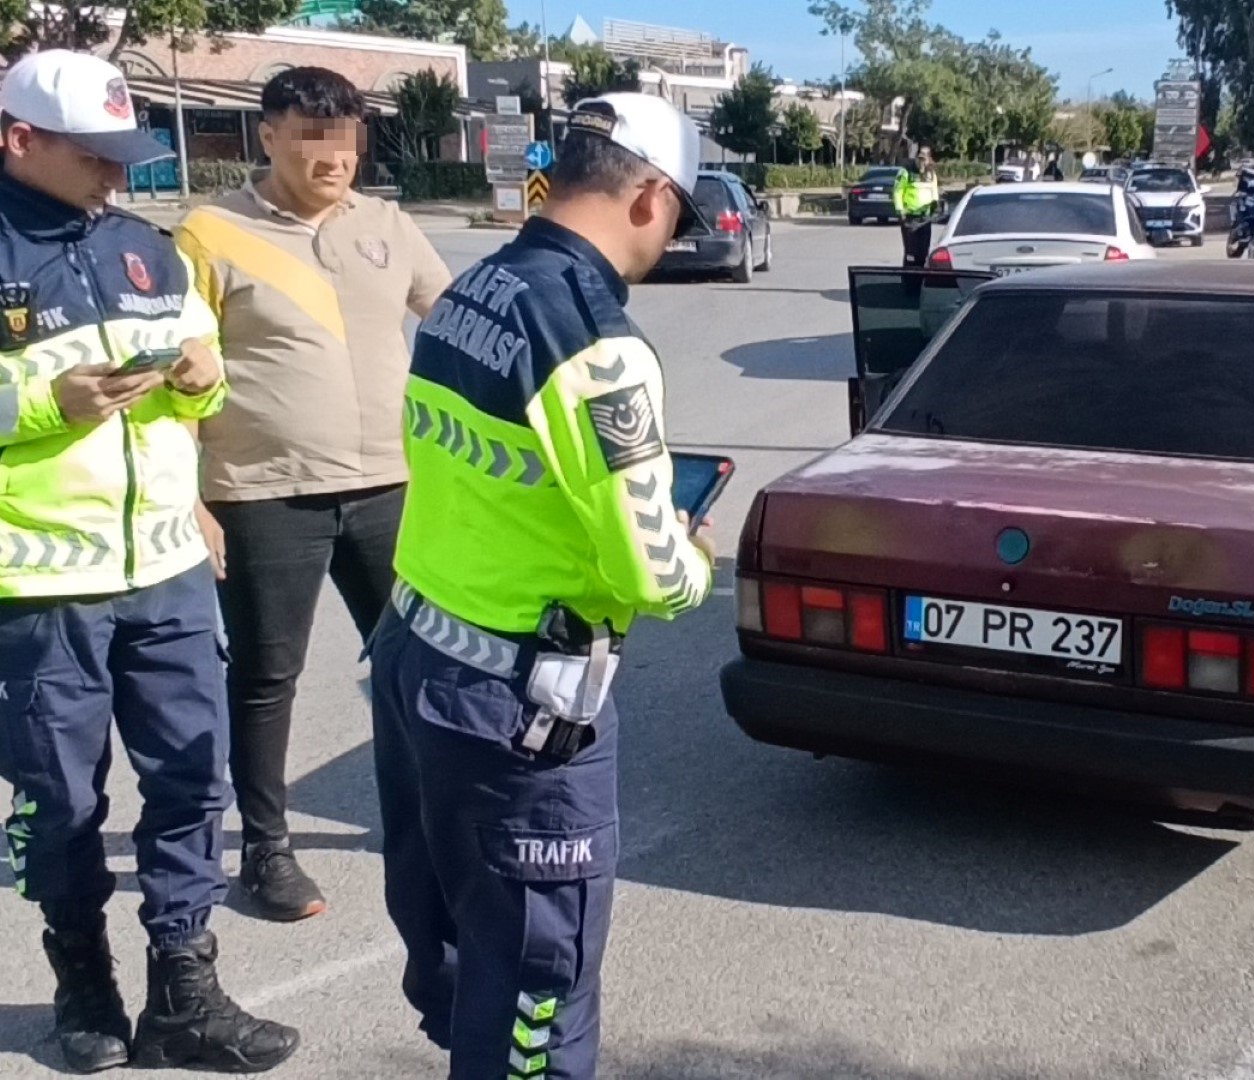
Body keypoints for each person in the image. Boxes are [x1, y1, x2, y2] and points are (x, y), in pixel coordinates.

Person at [367, 92, 717, 1078]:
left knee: (462, 942)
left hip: (419, 654)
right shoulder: (593, 341)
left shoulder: (476, 287)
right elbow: (652, 570)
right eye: (677, 221)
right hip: (519, 706)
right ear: (649, 198)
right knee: (536, 988)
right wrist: (692, 558)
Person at [0, 50, 299, 1073]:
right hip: (43, 589)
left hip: (167, 571)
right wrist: (47, 405)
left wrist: (205, 379)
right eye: (96, 157)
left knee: (189, 782)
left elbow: (200, 387)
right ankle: (84, 984)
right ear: (19, 139)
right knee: (58, 801)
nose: (117, 176)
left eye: (127, 155)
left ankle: (186, 986)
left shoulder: (148, 249)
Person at [172, 67, 451, 925]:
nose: (332, 156)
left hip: (390, 487)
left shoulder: (388, 224)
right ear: (269, 136)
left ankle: (425, 821)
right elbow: (178, 375)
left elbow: (452, 319)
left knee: (412, 665)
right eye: (310, 136)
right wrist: (191, 498)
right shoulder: (211, 232)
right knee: (266, 677)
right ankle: (264, 851)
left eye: (345, 137)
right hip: (264, 492)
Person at [893, 146, 941, 266]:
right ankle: (909, 281)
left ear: (929, 159)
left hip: (925, 218)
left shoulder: (931, 173)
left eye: (924, 158)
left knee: (923, 252)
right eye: (920, 158)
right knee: (911, 254)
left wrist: (936, 205)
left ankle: (920, 279)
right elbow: (897, 191)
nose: (921, 161)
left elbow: (934, 191)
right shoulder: (906, 171)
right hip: (910, 218)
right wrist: (900, 211)